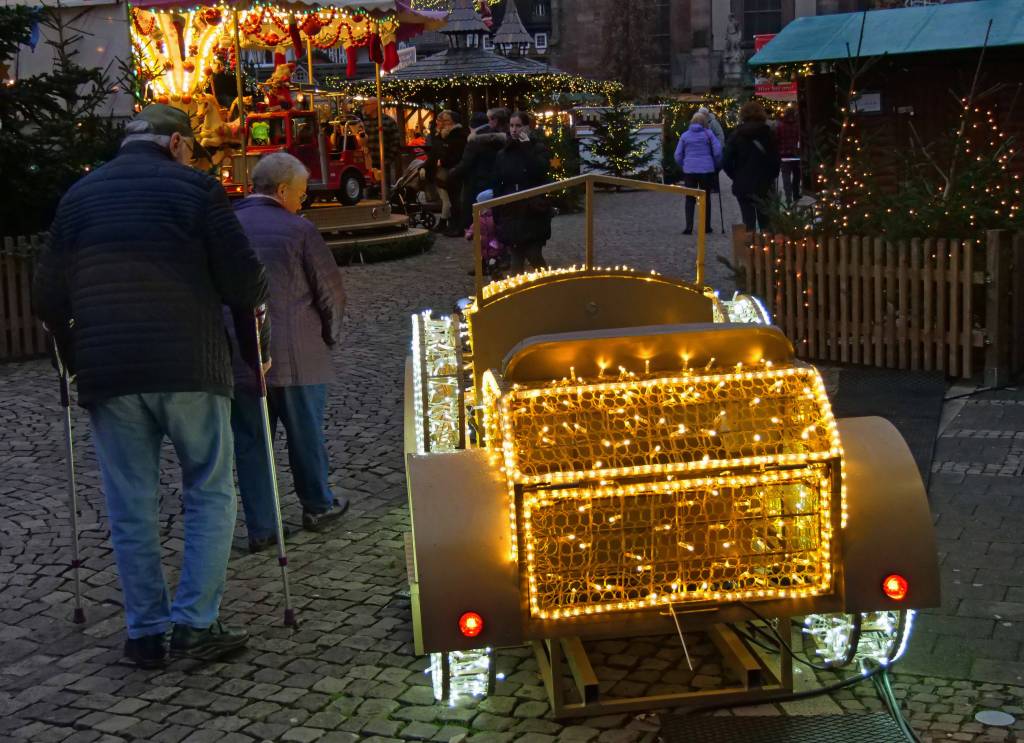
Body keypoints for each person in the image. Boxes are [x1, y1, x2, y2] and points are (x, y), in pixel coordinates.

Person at [32, 104, 268, 668]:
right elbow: (245, 281)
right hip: (189, 364)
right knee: (209, 490)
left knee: (130, 504)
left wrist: (74, 358)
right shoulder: (196, 189)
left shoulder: (77, 198)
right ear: (179, 145)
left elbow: (46, 297)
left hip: (110, 374)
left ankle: (145, 632)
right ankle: (194, 623)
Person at [230, 152, 348, 554]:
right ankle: (317, 506)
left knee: (251, 443)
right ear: (281, 191)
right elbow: (330, 294)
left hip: (241, 358)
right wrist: (329, 337)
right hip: (298, 355)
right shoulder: (299, 230)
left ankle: (262, 528)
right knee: (305, 436)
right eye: (299, 193)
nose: (303, 201)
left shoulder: (226, 226)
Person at [493, 111, 553, 273]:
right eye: (511, 125)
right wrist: (496, 211)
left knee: (533, 253)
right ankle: (517, 293)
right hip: (511, 209)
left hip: (533, 209)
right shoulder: (503, 153)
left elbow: (539, 171)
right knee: (516, 255)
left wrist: (526, 148)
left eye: (518, 125)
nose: (514, 129)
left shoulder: (537, 148)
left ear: (527, 127)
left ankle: (549, 284)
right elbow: (498, 183)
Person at [722, 101, 781, 232]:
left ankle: (749, 250)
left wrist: (736, 176)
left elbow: (725, 161)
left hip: (743, 184)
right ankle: (765, 250)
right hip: (764, 184)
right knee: (766, 222)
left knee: (748, 221)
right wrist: (771, 175)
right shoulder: (768, 134)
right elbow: (775, 160)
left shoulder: (736, 135)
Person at [450, 108, 510, 235]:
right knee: (490, 215)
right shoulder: (498, 137)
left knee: (475, 215)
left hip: (475, 182)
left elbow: (466, 163)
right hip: (494, 181)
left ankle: (477, 241)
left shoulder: (475, 140)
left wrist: (453, 173)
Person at [674, 111, 722, 235]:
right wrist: (715, 164)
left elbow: (678, 155)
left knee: (690, 198)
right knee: (706, 198)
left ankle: (689, 227)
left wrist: (684, 165)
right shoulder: (709, 134)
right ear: (705, 122)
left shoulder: (685, 136)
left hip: (690, 170)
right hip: (706, 170)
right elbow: (717, 151)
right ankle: (706, 226)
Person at [427, 110, 468, 237]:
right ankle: (452, 224)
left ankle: (457, 226)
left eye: (446, 121)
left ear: (453, 122)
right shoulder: (444, 135)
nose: (443, 123)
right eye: (442, 121)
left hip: (454, 172)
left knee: (455, 201)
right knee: (451, 200)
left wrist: (443, 161)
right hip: (448, 171)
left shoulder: (458, 135)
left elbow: (455, 154)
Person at [361, 96, 401, 192]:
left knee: (383, 190)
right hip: (367, 164)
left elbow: (395, 142)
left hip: (383, 163)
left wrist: (387, 160)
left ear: (375, 106)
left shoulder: (388, 121)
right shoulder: (363, 123)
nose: (365, 107)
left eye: (367, 105)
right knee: (369, 190)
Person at [776, 107, 802, 204]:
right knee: (797, 175)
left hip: (783, 155)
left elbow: (776, 140)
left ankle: (788, 196)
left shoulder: (780, 126)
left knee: (786, 176)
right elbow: (799, 139)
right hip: (795, 154)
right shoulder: (797, 126)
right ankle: (796, 194)